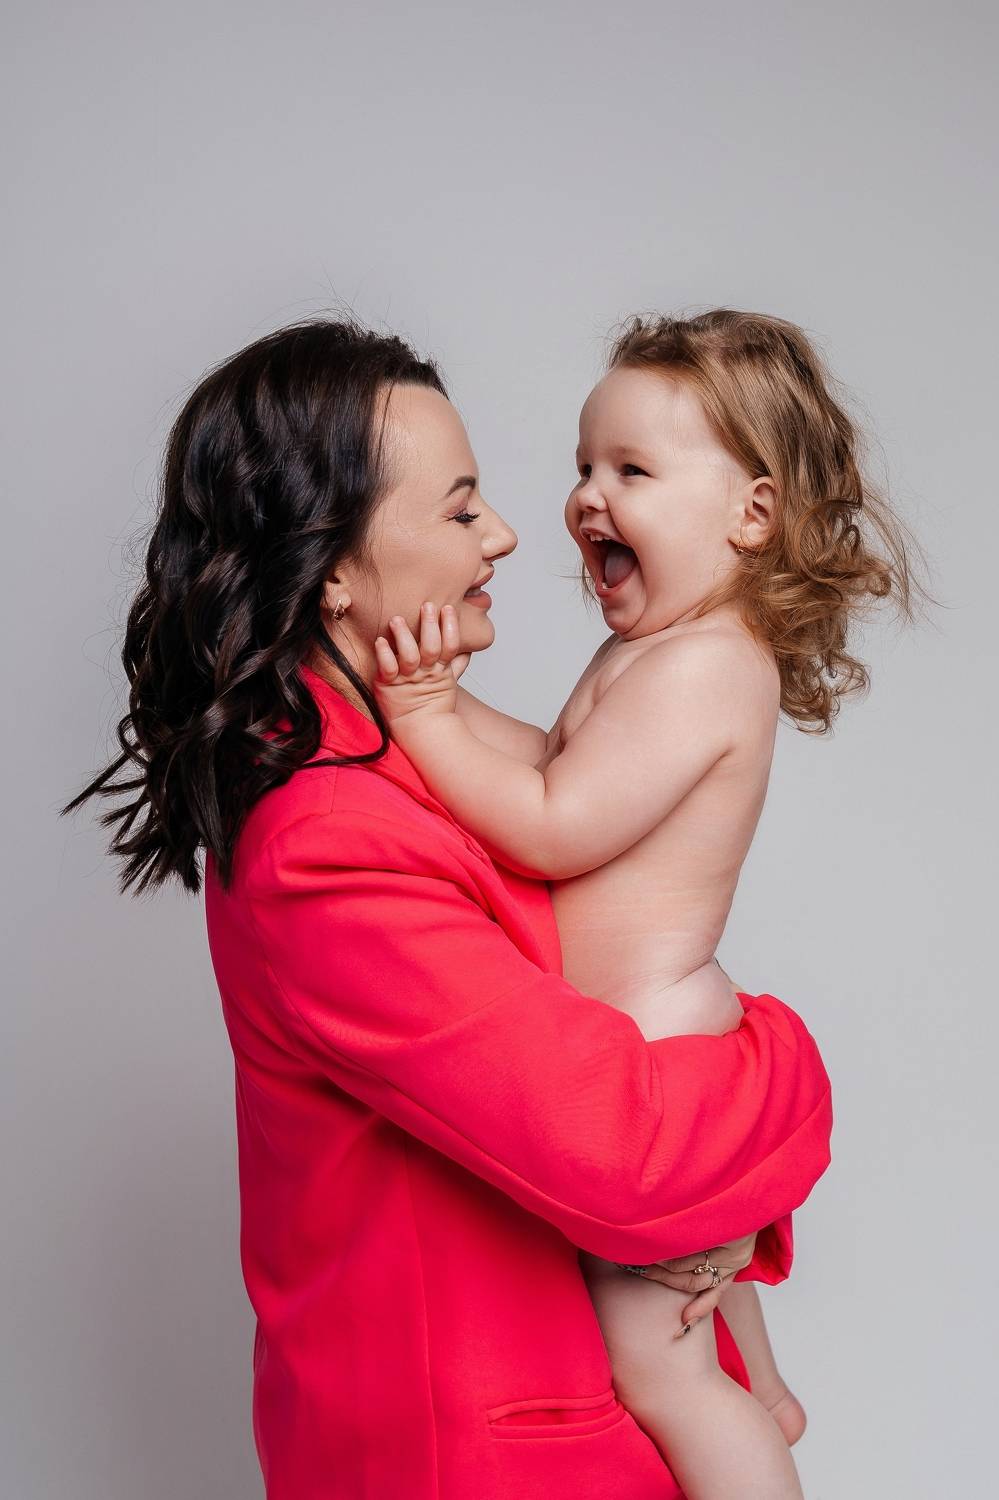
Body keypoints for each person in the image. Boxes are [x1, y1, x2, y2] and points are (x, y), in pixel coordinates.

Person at [60, 317, 833, 1500]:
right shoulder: (326, 844)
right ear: (334, 571)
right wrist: (788, 1072)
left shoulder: (400, 760)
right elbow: (623, 1155)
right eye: (462, 510)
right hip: (479, 1463)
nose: (509, 533)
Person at [369, 309, 917, 1500]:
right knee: (703, 1333)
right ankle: (771, 1393)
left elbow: (552, 823)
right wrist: (437, 703)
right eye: (584, 465)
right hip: (660, 1041)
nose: (587, 498)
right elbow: (555, 761)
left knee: (666, 1378)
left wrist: (420, 718)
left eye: (633, 472)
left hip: (661, 1060)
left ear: (751, 515)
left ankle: (756, 1447)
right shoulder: (654, 651)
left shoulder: (709, 665)